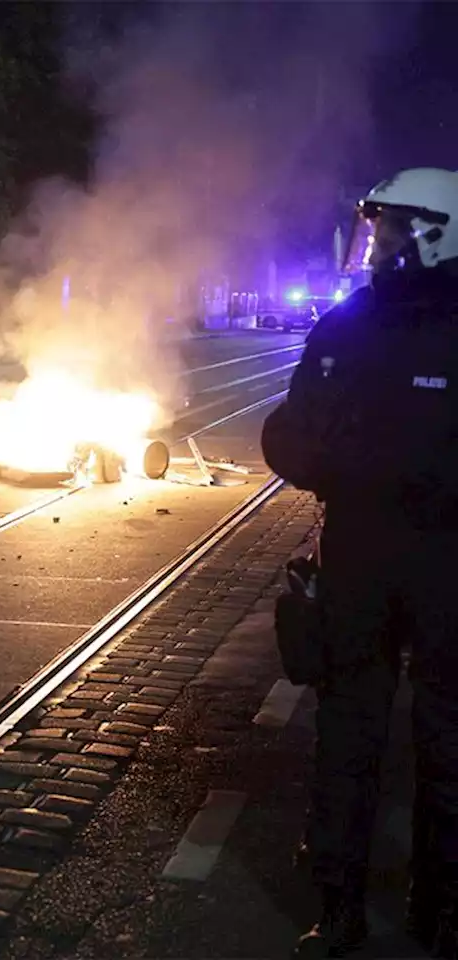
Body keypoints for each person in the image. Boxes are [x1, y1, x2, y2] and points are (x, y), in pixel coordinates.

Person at [262, 166, 458, 959]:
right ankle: (436, 914)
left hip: (372, 555)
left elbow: (290, 438)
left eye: (391, 230)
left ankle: (339, 913)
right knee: (438, 737)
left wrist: (344, 465)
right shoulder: (351, 324)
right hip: (436, 560)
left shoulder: (349, 329)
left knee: (354, 731)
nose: (375, 245)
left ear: (435, 231)